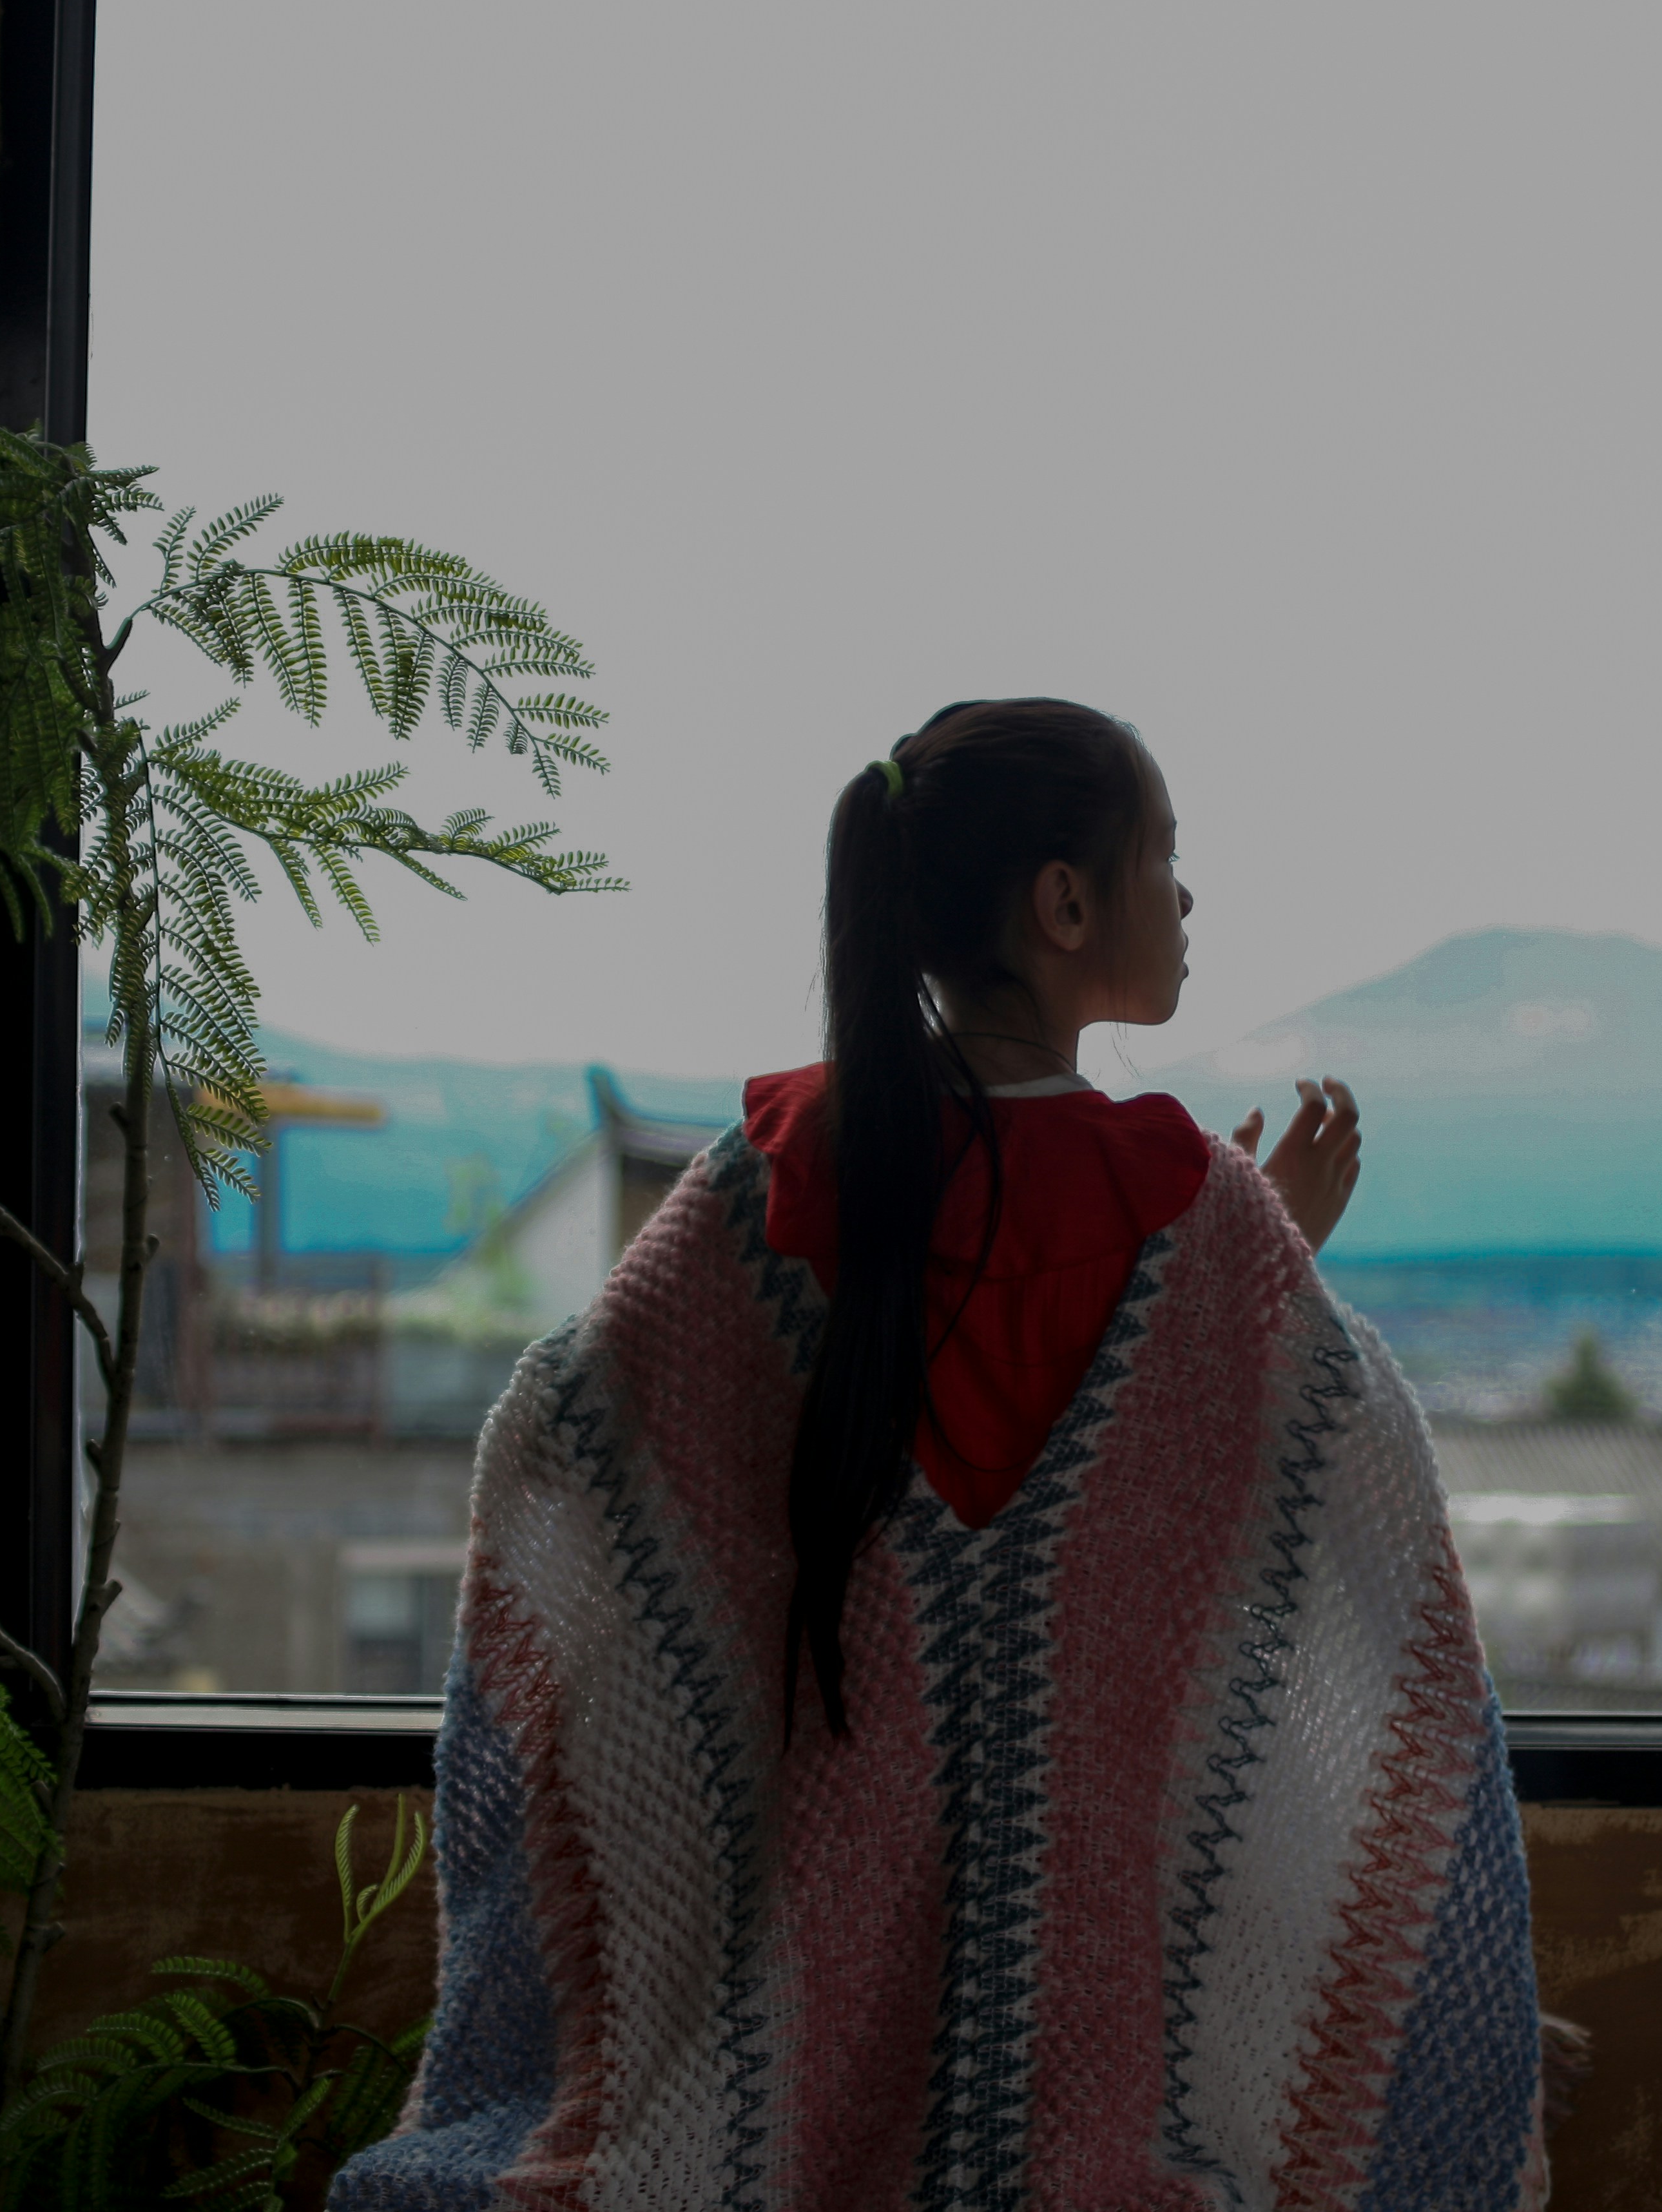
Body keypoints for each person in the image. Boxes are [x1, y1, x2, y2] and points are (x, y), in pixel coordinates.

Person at [333, 698, 1551, 2211]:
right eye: (1166, 857)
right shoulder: (1200, 1216)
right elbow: (1352, 1575)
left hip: (774, 2108)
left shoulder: (755, 1193)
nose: (1187, 898)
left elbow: (564, 1456)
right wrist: (1273, 1268)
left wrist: (1261, 1268)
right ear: (1064, 903)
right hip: (1110, 2099)